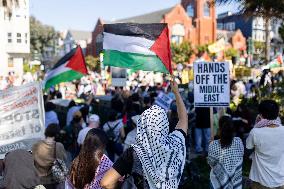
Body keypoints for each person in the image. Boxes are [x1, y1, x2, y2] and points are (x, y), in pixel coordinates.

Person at [101, 80, 188, 189]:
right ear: (164, 125)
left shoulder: (134, 153)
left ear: (142, 126)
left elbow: (105, 183)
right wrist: (176, 93)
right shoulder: (176, 144)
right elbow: (183, 119)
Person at [246, 100, 284, 189]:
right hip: (281, 179)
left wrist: (257, 125)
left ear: (260, 115)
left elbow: (248, 147)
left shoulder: (255, 132)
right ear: (277, 113)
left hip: (260, 180)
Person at [208, 116, 244, 189]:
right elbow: (241, 155)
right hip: (235, 180)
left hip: (216, 181)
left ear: (219, 126)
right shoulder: (238, 141)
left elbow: (211, 163)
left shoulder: (213, 144)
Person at [32, 124, 67, 189]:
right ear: (57, 134)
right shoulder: (58, 146)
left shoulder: (36, 145)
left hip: (39, 181)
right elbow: (63, 161)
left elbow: (32, 161)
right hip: (54, 181)